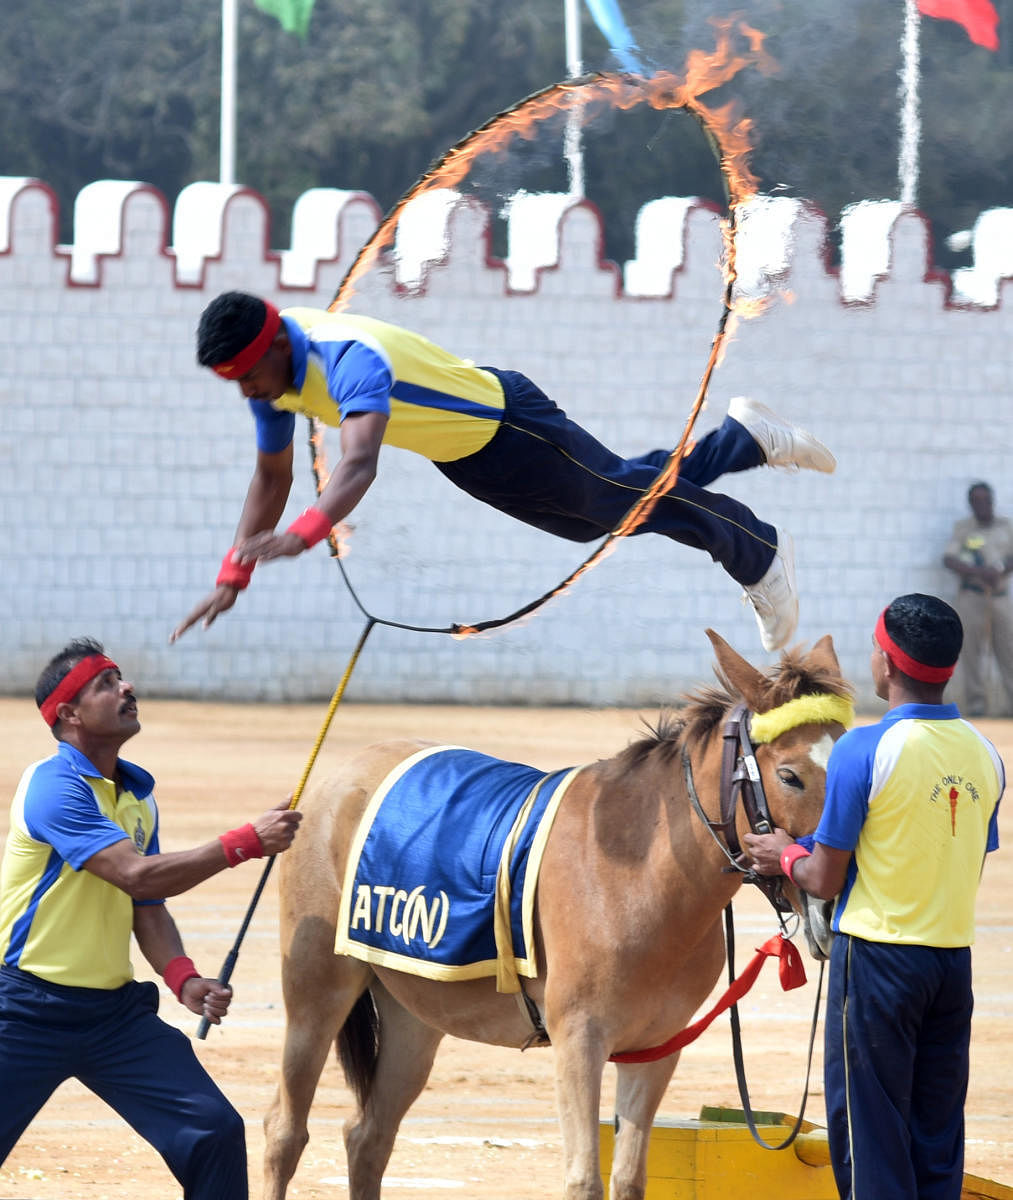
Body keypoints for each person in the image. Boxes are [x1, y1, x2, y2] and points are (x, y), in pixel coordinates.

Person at [170, 292, 836, 652]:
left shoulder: (348, 361)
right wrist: (235, 572)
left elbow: (358, 464)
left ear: (277, 345)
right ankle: (742, 440)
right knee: (602, 512)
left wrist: (303, 536)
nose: (248, 394)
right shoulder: (274, 384)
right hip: (466, 456)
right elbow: (270, 479)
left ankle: (756, 551)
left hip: (509, 422)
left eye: (248, 377)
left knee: (620, 500)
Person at [0, 637, 303, 1200]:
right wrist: (245, 842)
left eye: (122, 678)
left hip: (112, 1018)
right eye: (107, 683)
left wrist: (183, 977)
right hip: (21, 1011)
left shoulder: (137, 795)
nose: (127, 687)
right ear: (68, 714)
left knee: (214, 1132)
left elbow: (147, 906)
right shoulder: (52, 786)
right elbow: (136, 875)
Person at [743, 594, 1004, 1200]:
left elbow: (822, 880)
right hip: (952, 962)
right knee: (936, 1136)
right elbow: (954, 850)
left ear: (884, 664)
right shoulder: (987, 756)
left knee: (870, 1135)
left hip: (880, 961)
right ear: (950, 667)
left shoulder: (864, 749)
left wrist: (781, 852)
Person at [943, 481, 1013, 716]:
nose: (982, 505)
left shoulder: (1006, 527)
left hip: (1000, 597)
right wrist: (979, 572)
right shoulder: (964, 529)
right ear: (971, 504)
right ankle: (977, 706)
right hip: (972, 596)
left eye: (986, 500)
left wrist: (1001, 569)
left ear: (992, 501)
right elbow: (950, 560)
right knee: (972, 651)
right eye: (977, 500)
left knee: (1008, 649)